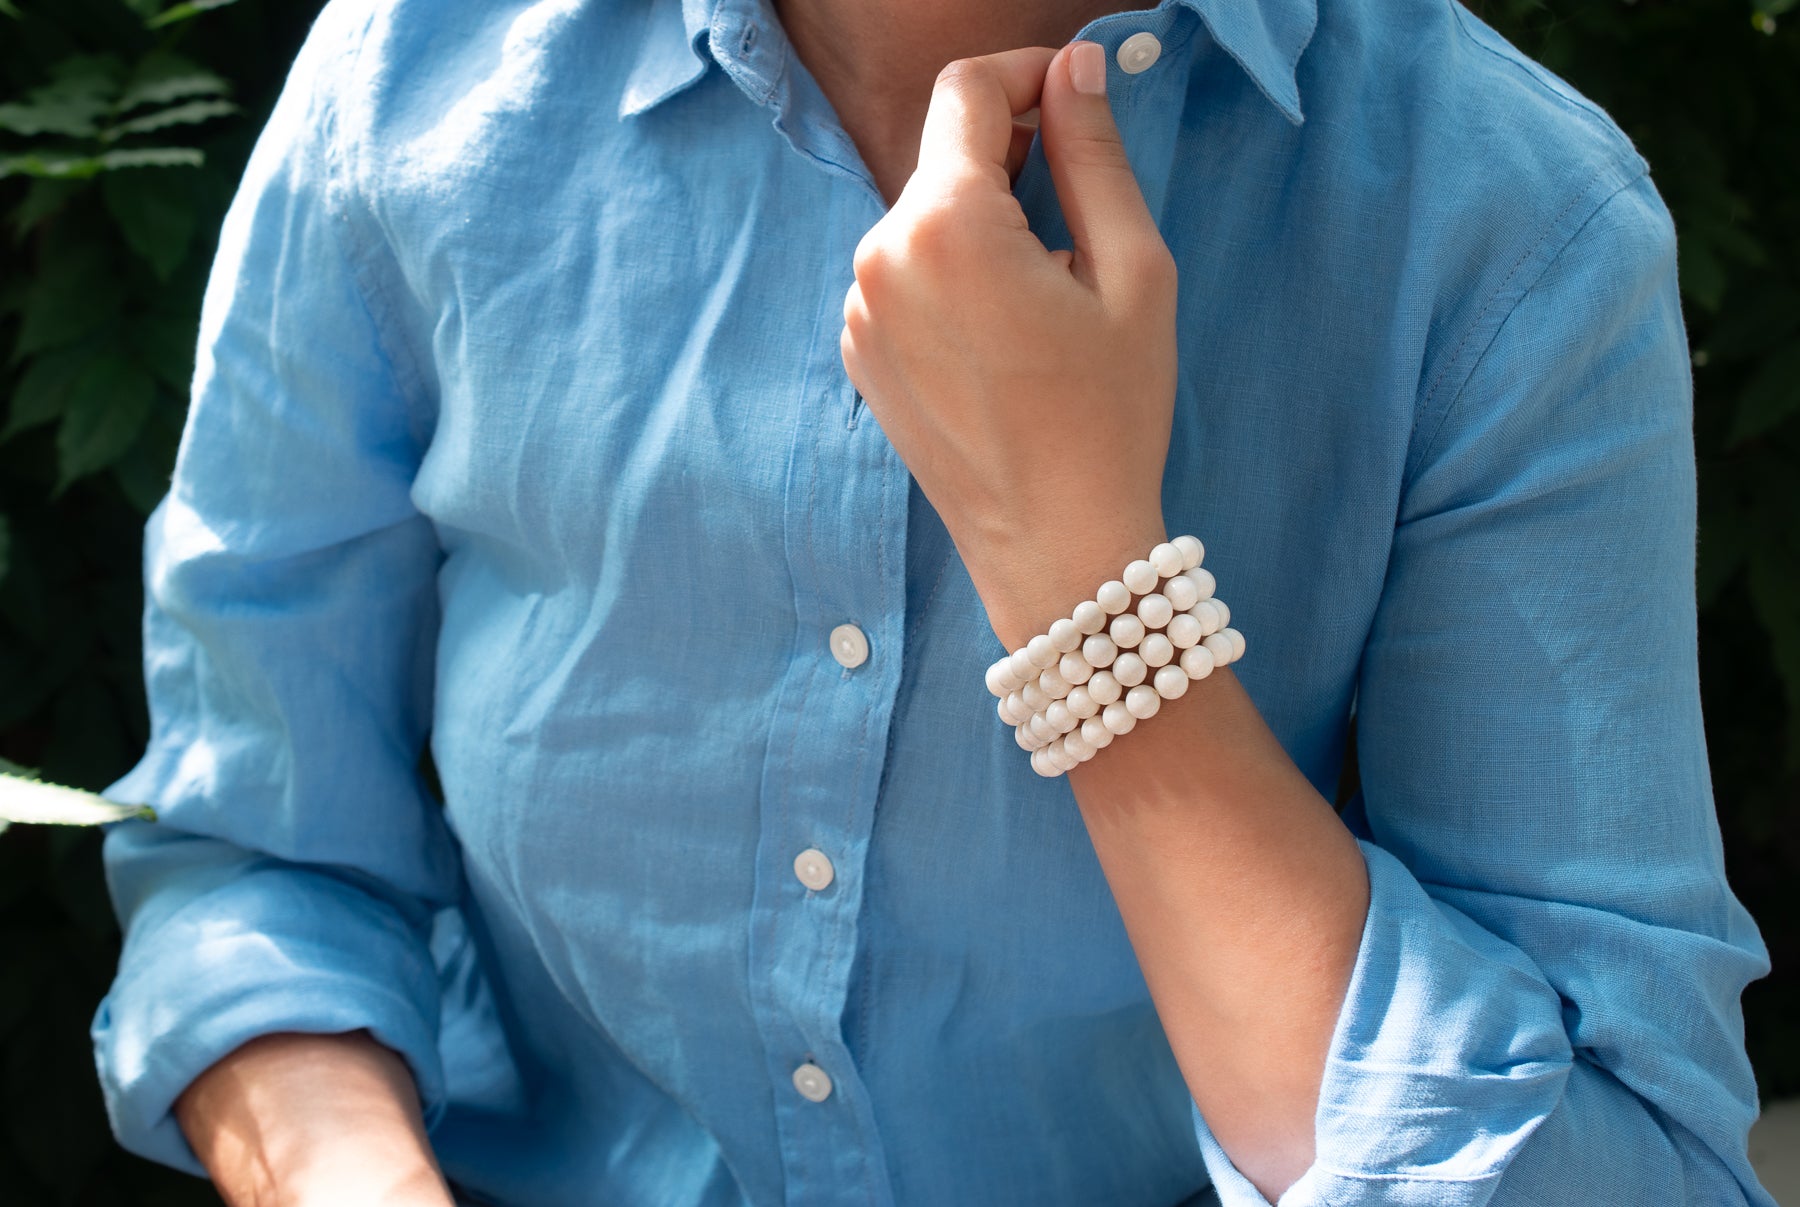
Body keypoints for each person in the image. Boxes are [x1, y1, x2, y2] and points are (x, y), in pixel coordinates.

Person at [90, 0, 1775, 1202]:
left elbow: (1619, 1169)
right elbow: (259, 860)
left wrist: (1087, 576)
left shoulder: (1505, 233)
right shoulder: (410, 87)